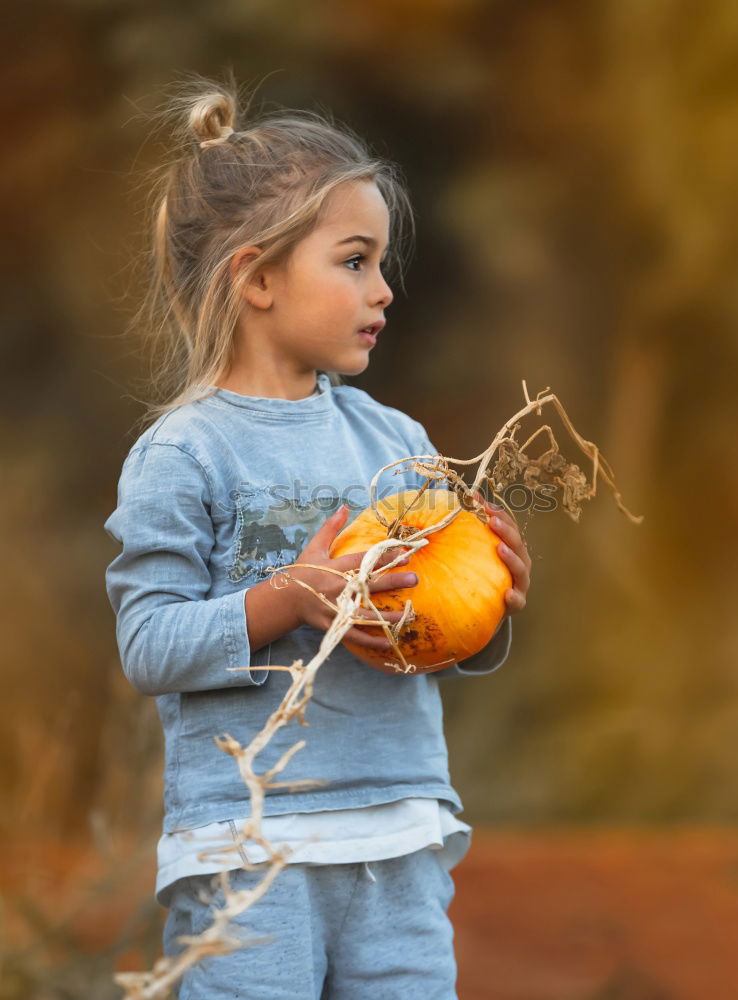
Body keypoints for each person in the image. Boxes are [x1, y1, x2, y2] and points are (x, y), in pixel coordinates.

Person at [104, 76, 532, 1000]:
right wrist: (286, 597)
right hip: (248, 844)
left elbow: (427, 631)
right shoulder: (184, 453)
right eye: (353, 260)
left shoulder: (397, 442)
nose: (383, 289)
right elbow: (148, 645)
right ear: (256, 277)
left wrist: (486, 610)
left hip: (398, 833)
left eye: (382, 262)